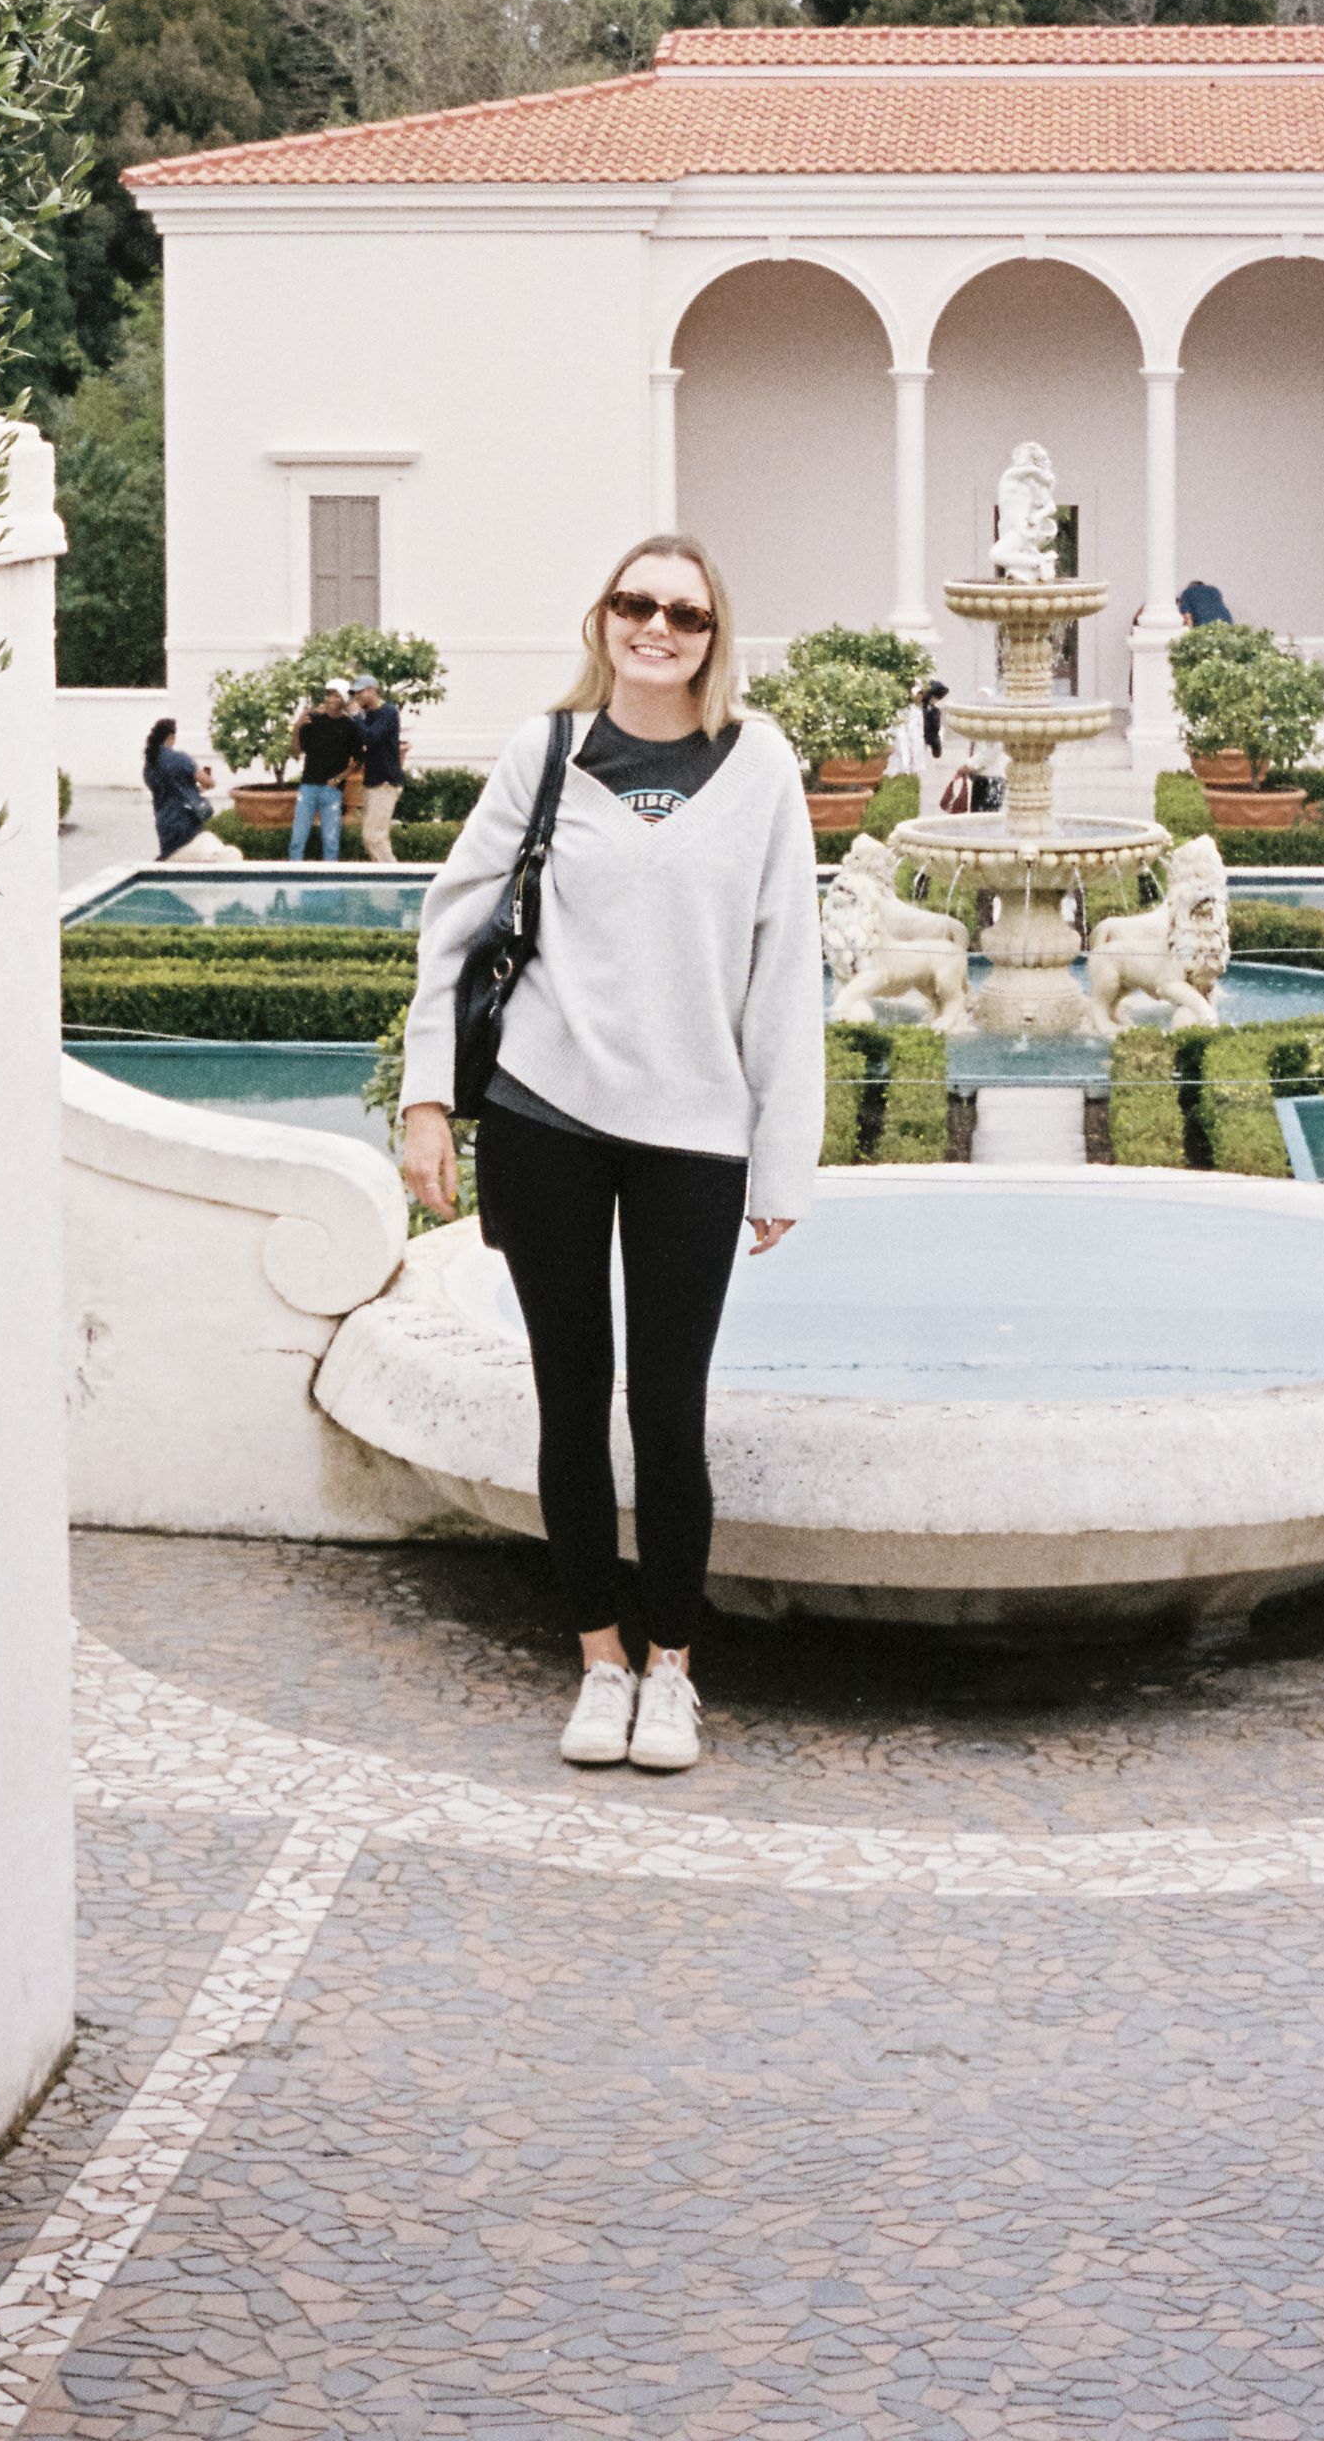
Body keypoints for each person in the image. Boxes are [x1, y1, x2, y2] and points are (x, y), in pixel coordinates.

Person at [394, 536, 823, 1776]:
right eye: (636, 604)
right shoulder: (547, 752)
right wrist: (432, 1100)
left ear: (712, 636)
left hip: (695, 1136)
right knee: (572, 1402)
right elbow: (452, 929)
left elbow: (788, 970)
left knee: (670, 1409)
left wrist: (780, 1163)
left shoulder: (760, 766)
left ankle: (674, 1674)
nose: (657, 628)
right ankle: (597, 1664)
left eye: (684, 614)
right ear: (603, 619)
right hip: (546, 1121)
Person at [288, 683, 358, 860]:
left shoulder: (350, 726)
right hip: (308, 787)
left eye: (335, 695)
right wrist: (297, 727)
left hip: (332, 791)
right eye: (328, 694)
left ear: (343, 699)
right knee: (297, 838)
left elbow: (357, 760)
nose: (329, 699)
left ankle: (330, 883)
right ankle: (293, 877)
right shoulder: (313, 720)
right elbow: (295, 751)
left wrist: (339, 778)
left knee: (331, 841)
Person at [142, 716, 216, 859]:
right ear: (171, 736)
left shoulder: (149, 764)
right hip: (186, 819)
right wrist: (203, 784)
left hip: (164, 821)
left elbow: (168, 789)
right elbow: (208, 782)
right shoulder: (180, 759)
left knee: (171, 856)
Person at [352, 676, 407, 861]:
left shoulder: (388, 712)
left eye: (361, 691)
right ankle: (384, 879)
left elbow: (371, 737)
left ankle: (393, 877)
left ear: (373, 690)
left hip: (385, 782)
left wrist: (356, 717)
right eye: (355, 693)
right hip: (372, 782)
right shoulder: (368, 714)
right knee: (373, 838)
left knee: (374, 837)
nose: (357, 696)